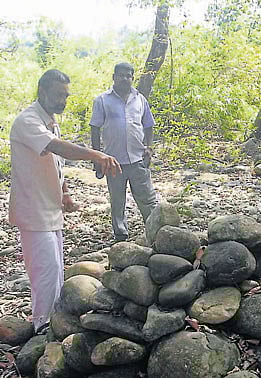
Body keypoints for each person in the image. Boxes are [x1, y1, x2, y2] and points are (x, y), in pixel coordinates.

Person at [9, 69, 121, 334]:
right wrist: (97, 155)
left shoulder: (50, 121)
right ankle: (42, 326)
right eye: (59, 95)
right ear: (43, 91)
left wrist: (66, 192)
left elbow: (55, 163)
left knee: (57, 270)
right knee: (45, 272)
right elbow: (57, 147)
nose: (63, 101)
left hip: (51, 209)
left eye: (66, 96)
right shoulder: (28, 121)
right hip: (33, 211)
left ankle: (55, 323)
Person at [90, 62, 158, 242]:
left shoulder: (140, 99)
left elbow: (149, 125)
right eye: (121, 75)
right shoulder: (102, 100)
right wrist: (97, 156)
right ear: (114, 77)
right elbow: (95, 128)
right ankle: (120, 236)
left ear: (132, 78)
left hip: (138, 159)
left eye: (128, 75)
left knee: (147, 199)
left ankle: (154, 232)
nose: (124, 79)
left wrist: (149, 148)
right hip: (113, 161)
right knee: (117, 201)